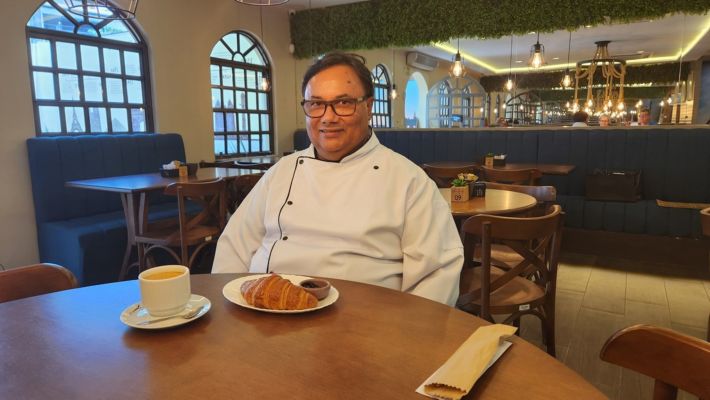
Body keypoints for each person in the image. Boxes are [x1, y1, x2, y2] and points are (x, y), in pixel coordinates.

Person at [212, 52, 463, 306]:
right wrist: (230, 311)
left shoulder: (409, 180)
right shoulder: (281, 172)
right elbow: (234, 247)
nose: (328, 117)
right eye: (316, 104)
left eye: (343, 103)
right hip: (266, 313)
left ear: (368, 107)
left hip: (365, 322)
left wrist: (401, 329)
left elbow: (438, 272)